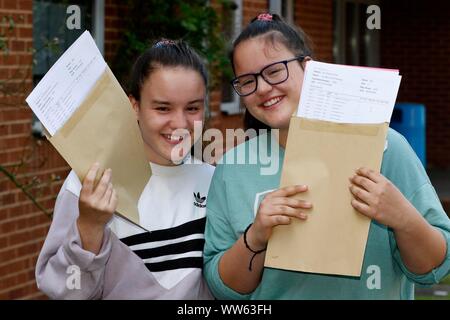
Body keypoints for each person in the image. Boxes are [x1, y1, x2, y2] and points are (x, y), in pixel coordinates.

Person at [203, 13, 450, 299]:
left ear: (308, 68)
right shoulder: (233, 168)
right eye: (247, 81)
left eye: (274, 72)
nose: (262, 88)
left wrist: (403, 218)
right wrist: (255, 237)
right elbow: (224, 289)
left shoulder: (386, 147)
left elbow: (434, 268)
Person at [36, 39, 214, 299]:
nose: (180, 123)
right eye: (163, 108)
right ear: (135, 107)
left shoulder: (213, 181)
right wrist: (89, 227)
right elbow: (64, 291)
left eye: (193, 108)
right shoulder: (89, 184)